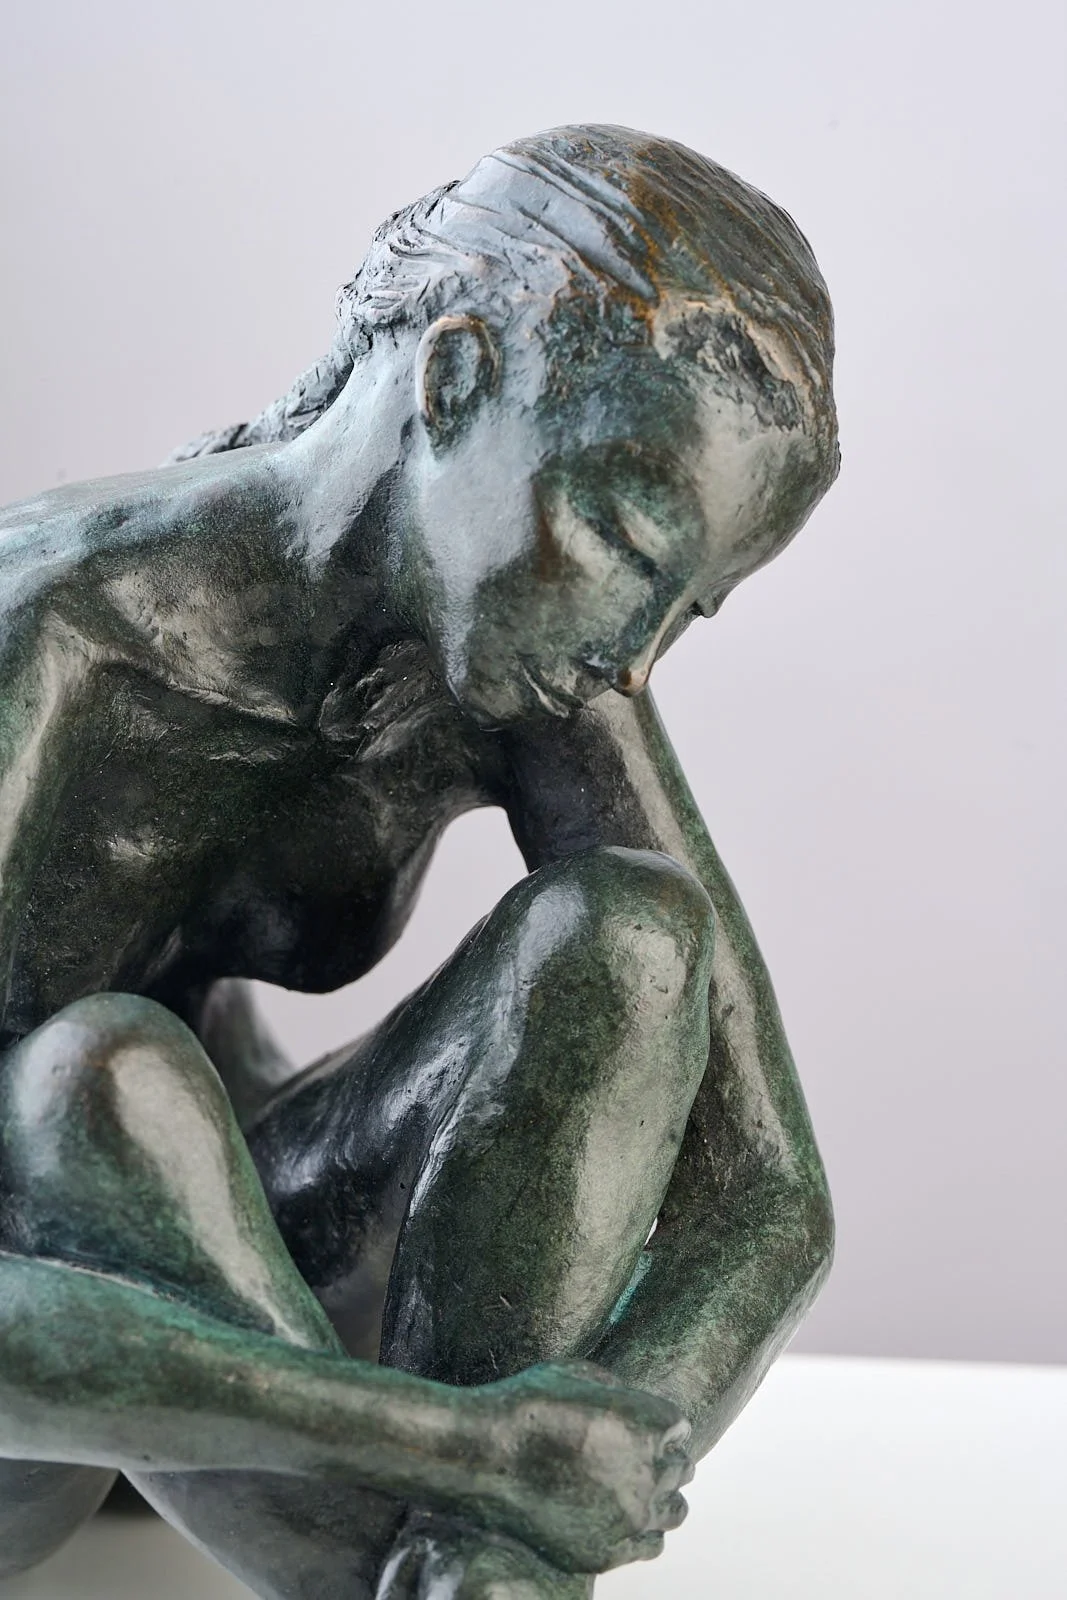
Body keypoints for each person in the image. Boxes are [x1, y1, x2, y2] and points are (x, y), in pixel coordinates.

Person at [0, 124, 839, 1598]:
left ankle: (470, 1577)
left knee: (634, 937)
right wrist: (468, 1455)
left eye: (686, 611)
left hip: (289, 1354)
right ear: (451, 382)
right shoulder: (50, 634)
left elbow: (769, 1197)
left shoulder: (523, 661)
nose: (629, 656)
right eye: (622, 539)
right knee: (100, 1080)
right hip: (42, 1388)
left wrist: (604, 1459)